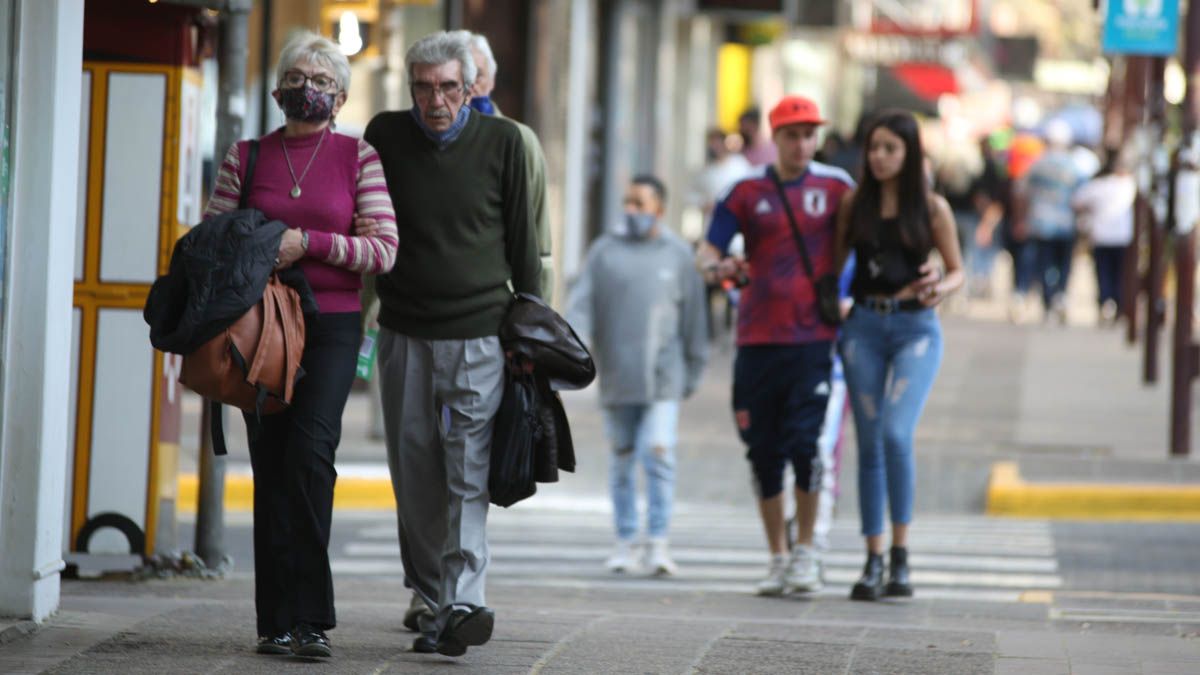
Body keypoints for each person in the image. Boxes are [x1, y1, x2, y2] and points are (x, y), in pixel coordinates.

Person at [204, 31, 399, 657]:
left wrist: (308, 243)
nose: (306, 89)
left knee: (311, 456)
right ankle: (276, 621)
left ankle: (311, 618)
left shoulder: (358, 157)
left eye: (320, 81)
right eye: (296, 78)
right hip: (261, 327)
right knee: (271, 463)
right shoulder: (246, 157)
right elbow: (213, 240)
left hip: (332, 325)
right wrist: (266, 245)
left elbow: (383, 250)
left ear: (339, 98)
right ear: (276, 90)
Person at [363, 31, 541, 658]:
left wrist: (529, 332)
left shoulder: (505, 142)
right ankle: (431, 596)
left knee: (468, 471)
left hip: (480, 335)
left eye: (447, 88)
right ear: (410, 87)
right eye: (423, 87)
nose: (435, 100)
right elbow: (368, 225)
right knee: (414, 474)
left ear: (470, 89)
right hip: (404, 331)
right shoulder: (384, 136)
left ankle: (462, 600)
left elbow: (525, 244)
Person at [697, 95, 854, 596]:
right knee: (763, 451)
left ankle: (806, 549)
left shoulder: (838, 187)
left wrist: (853, 296)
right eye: (792, 135)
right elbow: (708, 251)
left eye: (809, 135)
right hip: (757, 338)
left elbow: (867, 243)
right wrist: (718, 268)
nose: (802, 144)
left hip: (813, 339)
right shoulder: (745, 190)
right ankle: (777, 557)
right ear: (775, 136)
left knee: (807, 446)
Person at [834, 109, 963, 601]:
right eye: (874, 148)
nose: (880, 157)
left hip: (916, 329)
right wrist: (832, 301)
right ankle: (873, 558)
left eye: (891, 148)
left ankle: (901, 554)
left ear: (909, 153)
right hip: (863, 327)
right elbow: (832, 268)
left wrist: (940, 285)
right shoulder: (854, 205)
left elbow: (957, 270)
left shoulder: (931, 208)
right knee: (869, 442)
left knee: (895, 432)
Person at [566, 175, 708, 576]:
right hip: (617, 375)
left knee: (659, 453)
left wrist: (694, 369)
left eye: (639, 204)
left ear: (659, 210)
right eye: (627, 202)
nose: (631, 210)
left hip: (664, 376)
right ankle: (626, 541)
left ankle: (658, 541)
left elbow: (694, 319)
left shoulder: (678, 255)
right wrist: (571, 353)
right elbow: (581, 308)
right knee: (623, 458)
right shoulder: (604, 252)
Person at [459, 31, 555, 301]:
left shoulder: (519, 140)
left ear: (491, 79)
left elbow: (539, 237)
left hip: (498, 296)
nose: (469, 87)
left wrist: (538, 308)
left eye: (477, 75)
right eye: (460, 77)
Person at [1019, 120, 1087, 324]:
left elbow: (1022, 192)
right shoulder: (1073, 166)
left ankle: (1049, 300)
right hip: (1066, 223)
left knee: (1044, 263)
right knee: (1064, 264)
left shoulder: (1038, 165)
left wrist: (1022, 218)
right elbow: (1081, 196)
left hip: (1041, 223)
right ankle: (1060, 295)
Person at [1071, 148, 1135, 324]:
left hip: (1103, 236)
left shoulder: (1101, 185)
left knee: (1104, 272)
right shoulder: (1129, 185)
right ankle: (1116, 304)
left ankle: (1107, 302)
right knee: (1119, 273)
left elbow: (1077, 201)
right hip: (1122, 237)